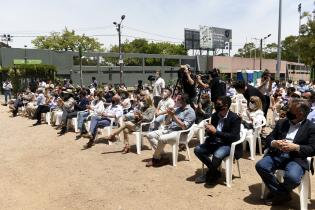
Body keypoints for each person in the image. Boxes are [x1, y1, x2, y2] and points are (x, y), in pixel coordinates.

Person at [255, 98, 315, 206]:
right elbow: (269, 137)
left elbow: (312, 149)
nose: (287, 112)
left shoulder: (311, 128)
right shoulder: (282, 123)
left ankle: (278, 193)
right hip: (277, 154)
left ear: (301, 114)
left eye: (291, 110)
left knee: (292, 177)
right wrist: (274, 143)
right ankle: (282, 194)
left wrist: (296, 147)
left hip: (296, 158)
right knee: (261, 165)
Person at [194, 96, 241, 185]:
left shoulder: (235, 118)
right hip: (214, 141)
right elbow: (212, 133)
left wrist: (216, 132)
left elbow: (233, 137)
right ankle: (215, 172)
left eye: (218, 104)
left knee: (217, 155)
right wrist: (208, 130)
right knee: (198, 150)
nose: (216, 106)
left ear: (226, 106)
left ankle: (210, 174)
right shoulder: (215, 115)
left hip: (227, 144)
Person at [145, 94, 196, 167]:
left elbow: (184, 127)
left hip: (180, 134)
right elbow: (167, 123)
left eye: (178, 100)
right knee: (149, 135)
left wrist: (173, 116)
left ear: (183, 101)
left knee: (161, 138)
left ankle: (155, 158)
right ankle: (163, 156)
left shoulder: (190, 112)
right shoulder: (178, 109)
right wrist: (169, 114)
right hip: (170, 130)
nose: (175, 101)